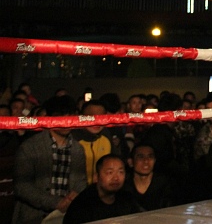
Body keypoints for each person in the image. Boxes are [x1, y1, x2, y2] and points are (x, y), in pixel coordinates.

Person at [12, 95, 87, 224]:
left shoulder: (77, 148)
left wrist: (76, 193)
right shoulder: (30, 146)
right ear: (49, 118)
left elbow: (81, 179)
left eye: (70, 116)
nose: (66, 122)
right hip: (34, 216)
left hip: (67, 214)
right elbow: (22, 186)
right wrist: (55, 202)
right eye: (60, 117)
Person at [63, 154, 140, 223]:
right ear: (96, 177)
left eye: (121, 172)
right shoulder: (82, 204)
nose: (116, 178)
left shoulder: (127, 197)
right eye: (110, 172)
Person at [74, 99, 120, 185]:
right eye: (91, 117)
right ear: (81, 117)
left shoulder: (106, 136)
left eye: (101, 117)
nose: (96, 121)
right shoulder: (73, 139)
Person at [124, 143, 172, 211]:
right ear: (131, 162)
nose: (146, 161)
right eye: (140, 157)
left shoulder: (164, 184)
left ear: (154, 160)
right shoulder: (124, 186)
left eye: (150, 157)